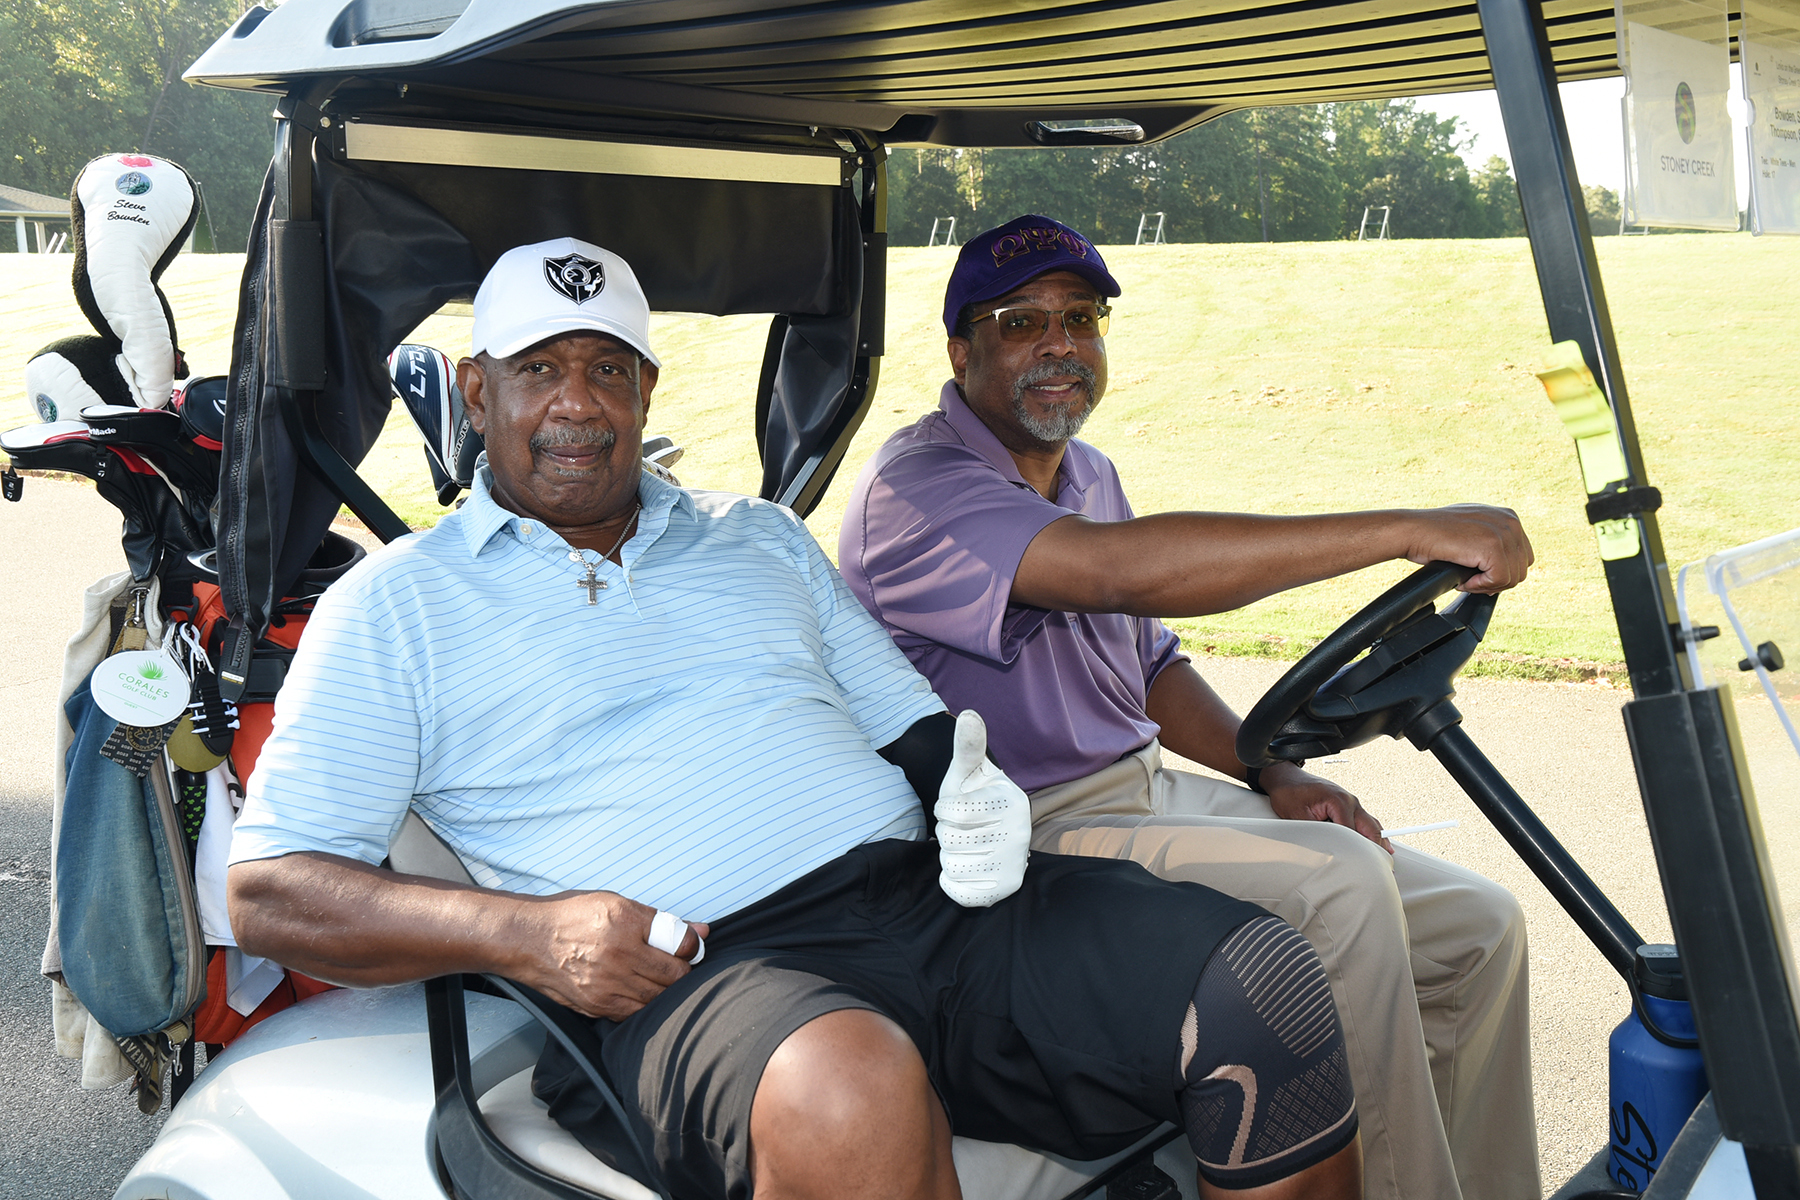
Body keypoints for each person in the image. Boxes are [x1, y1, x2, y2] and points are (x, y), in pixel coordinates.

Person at [226, 237, 1370, 1200]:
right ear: (478, 392)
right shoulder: (397, 605)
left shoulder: (757, 538)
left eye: (608, 369)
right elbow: (270, 890)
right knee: (848, 1086)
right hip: (698, 976)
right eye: (539, 369)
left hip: (926, 910)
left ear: (646, 391)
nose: (577, 402)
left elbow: (920, 732)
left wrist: (975, 792)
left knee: (1255, 979)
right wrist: (528, 936)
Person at [837, 214, 1540, 1200]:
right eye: (1022, 322)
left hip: (1144, 796)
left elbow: (1150, 664)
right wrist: (1406, 529)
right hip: (1021, 838)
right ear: (962, 351)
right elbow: (1119, 575)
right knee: (1342, 887)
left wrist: (1269, 769)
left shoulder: (1086, 472)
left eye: (1082, 318)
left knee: (1478, 927)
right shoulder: (916, 490)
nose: (1059, 345)